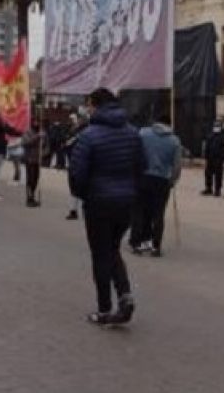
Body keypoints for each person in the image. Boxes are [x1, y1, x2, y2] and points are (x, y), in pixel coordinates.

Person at [69, 88, 144, 326]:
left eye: (89, 104)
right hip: (126, 202)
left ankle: (104, 309)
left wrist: (83, 195)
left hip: (99, 203)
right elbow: (142, 166)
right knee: (113, 249)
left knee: (101, 254)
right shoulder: (133, 133)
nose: (87, 109)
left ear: (95, 105)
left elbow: (77, 174)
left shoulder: (89, 135)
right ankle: (125, 295)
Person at [129, 114, 181, 257]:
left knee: (139, 211)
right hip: (162, 180)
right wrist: (172, 180)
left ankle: (137, 242)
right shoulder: (174, 140)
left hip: (143, 177)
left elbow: (134, 153)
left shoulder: (143, 133)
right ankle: (155, 245)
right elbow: (177, 166)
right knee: (158, 214)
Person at [65, 107, 91, 219]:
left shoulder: (87, 131)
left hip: (81, 162)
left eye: (81, 118)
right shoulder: (74, 130)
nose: (79, 120)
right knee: (74, 187)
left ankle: (76, 210)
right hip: (72, 160)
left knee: (80, 187)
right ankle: (73, 209)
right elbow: (67, 143)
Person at [21, 119, 43, 207]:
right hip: (29, 159)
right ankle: (29, 198)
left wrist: (44, 152)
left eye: (38, 122)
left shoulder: (41, 132)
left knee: (36, 179)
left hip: (37, 159)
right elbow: (25, 142)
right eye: (35, 122)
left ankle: (33, 196)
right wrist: (37, 137)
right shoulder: (28, 132)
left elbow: (46, 145)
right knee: (30, 179)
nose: (36, 123)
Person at [202, 122, 224, 197]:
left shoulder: (223, 136)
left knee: (218, 175)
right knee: (208, 174)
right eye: (215, 126)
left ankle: (218, 189)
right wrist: (206, 156)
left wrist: (223, 157)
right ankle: (208, 188)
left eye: (218, 126)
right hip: (210, 157)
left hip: (218, 158)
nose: (216, 128)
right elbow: (207, 146)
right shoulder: (210, 135)